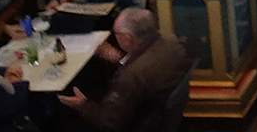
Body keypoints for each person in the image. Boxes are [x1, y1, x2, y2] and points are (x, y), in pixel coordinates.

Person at [57, 8, 191, 132]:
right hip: (165, 114)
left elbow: (108, 123)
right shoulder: (171, 41)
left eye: (116, 33)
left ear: (127, 39)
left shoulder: (132, 76)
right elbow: (146, 66)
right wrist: (120, 59)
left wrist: (83, 105)